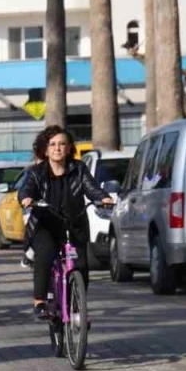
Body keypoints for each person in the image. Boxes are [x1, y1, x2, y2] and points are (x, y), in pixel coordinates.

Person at [18, 126, 114, 319]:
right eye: (52, 144)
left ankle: (77, 305)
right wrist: (27, 198)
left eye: (62, 144)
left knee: (81, 266)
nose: (57, 148)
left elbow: (91, 187)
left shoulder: (79, 169)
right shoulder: (37, 172)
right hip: (45, 225)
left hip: (74, 224)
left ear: (69, 148)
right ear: (45, 149)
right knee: (46, 253)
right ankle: (40, 301)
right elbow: (26, 189)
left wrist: (103, 198)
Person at [21, 129, 53, 269]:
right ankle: (31, 253)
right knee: (37, 234)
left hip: (59, 211)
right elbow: (25, 189)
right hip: (36, 209)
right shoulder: (33, 171)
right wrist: (27, 198)